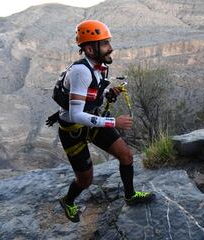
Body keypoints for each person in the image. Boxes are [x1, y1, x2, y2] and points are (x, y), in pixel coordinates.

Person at [56, 20, 155, 222]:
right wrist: (113, 122)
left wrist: (109, 93)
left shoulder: (98, 68)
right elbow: (76, 114)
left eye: (108, 42)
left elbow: (90, 95)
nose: (111, 47)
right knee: (85, 180)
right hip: (73, 130)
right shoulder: (81, 71)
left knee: (126, 156)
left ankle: (130, 195)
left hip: (92, 122)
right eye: (105, 44)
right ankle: (68, 200)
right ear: (90, 49)